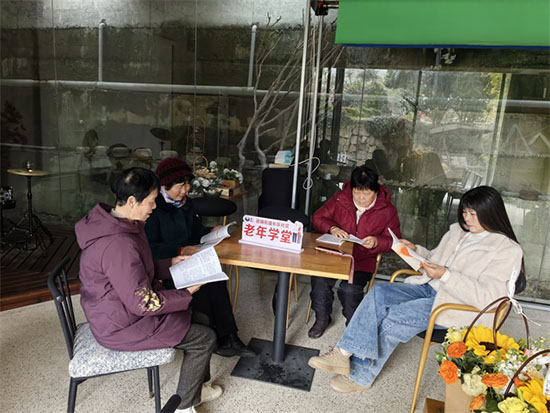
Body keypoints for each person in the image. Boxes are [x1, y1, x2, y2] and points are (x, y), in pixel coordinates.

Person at [308, 186, 525, 393]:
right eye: (465, 212)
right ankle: (343, 353)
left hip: (457, 306)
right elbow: (435, 259)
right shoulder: (459, 232)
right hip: (430, 288)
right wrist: (416, 251)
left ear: (491, 213)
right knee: (378, 292)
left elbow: (490, 297)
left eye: (473, 214)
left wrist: (446, 275)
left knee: (393, 317)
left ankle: (361, 377)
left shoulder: (507, 249)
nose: (467, 219)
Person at [75, 167, 222, 413]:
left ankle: (197, 388)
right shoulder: (118, 244)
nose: (155, 206)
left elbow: (137, 269)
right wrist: (186, 293)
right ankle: (184, 407)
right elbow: (142, 304)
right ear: (132, 201)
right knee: (204, 338)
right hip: (121, 325)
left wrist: (172, 263)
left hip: (120, 311)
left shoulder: (121, 224)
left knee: (203, 319)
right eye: (152, 201)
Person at [144, 157, 254, 358]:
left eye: (188, 184)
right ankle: (211, 338)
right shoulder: (153, 207)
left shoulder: (185, 204)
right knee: (201, 287)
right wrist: (180, 250)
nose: (185, 190)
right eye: (180, 185)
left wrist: (211, 231)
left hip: (189, 258)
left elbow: (195, 232)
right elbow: (149, 247)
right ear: (165, 185)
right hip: (166, 265)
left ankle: (229, 336)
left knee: (216, 279)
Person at [308, 165, 401, 338]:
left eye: (366, 193)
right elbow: (318, 217)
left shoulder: (387, 211)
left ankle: (353, 323)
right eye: (357, 192)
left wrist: (377, 242)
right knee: (319, 280)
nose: (360, 198)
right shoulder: (340, 198)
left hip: (362, 260)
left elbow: (395, 242)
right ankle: (322, 318)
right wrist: (332, 228)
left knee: (349, 290)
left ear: (376, 190)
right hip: (335, 254)